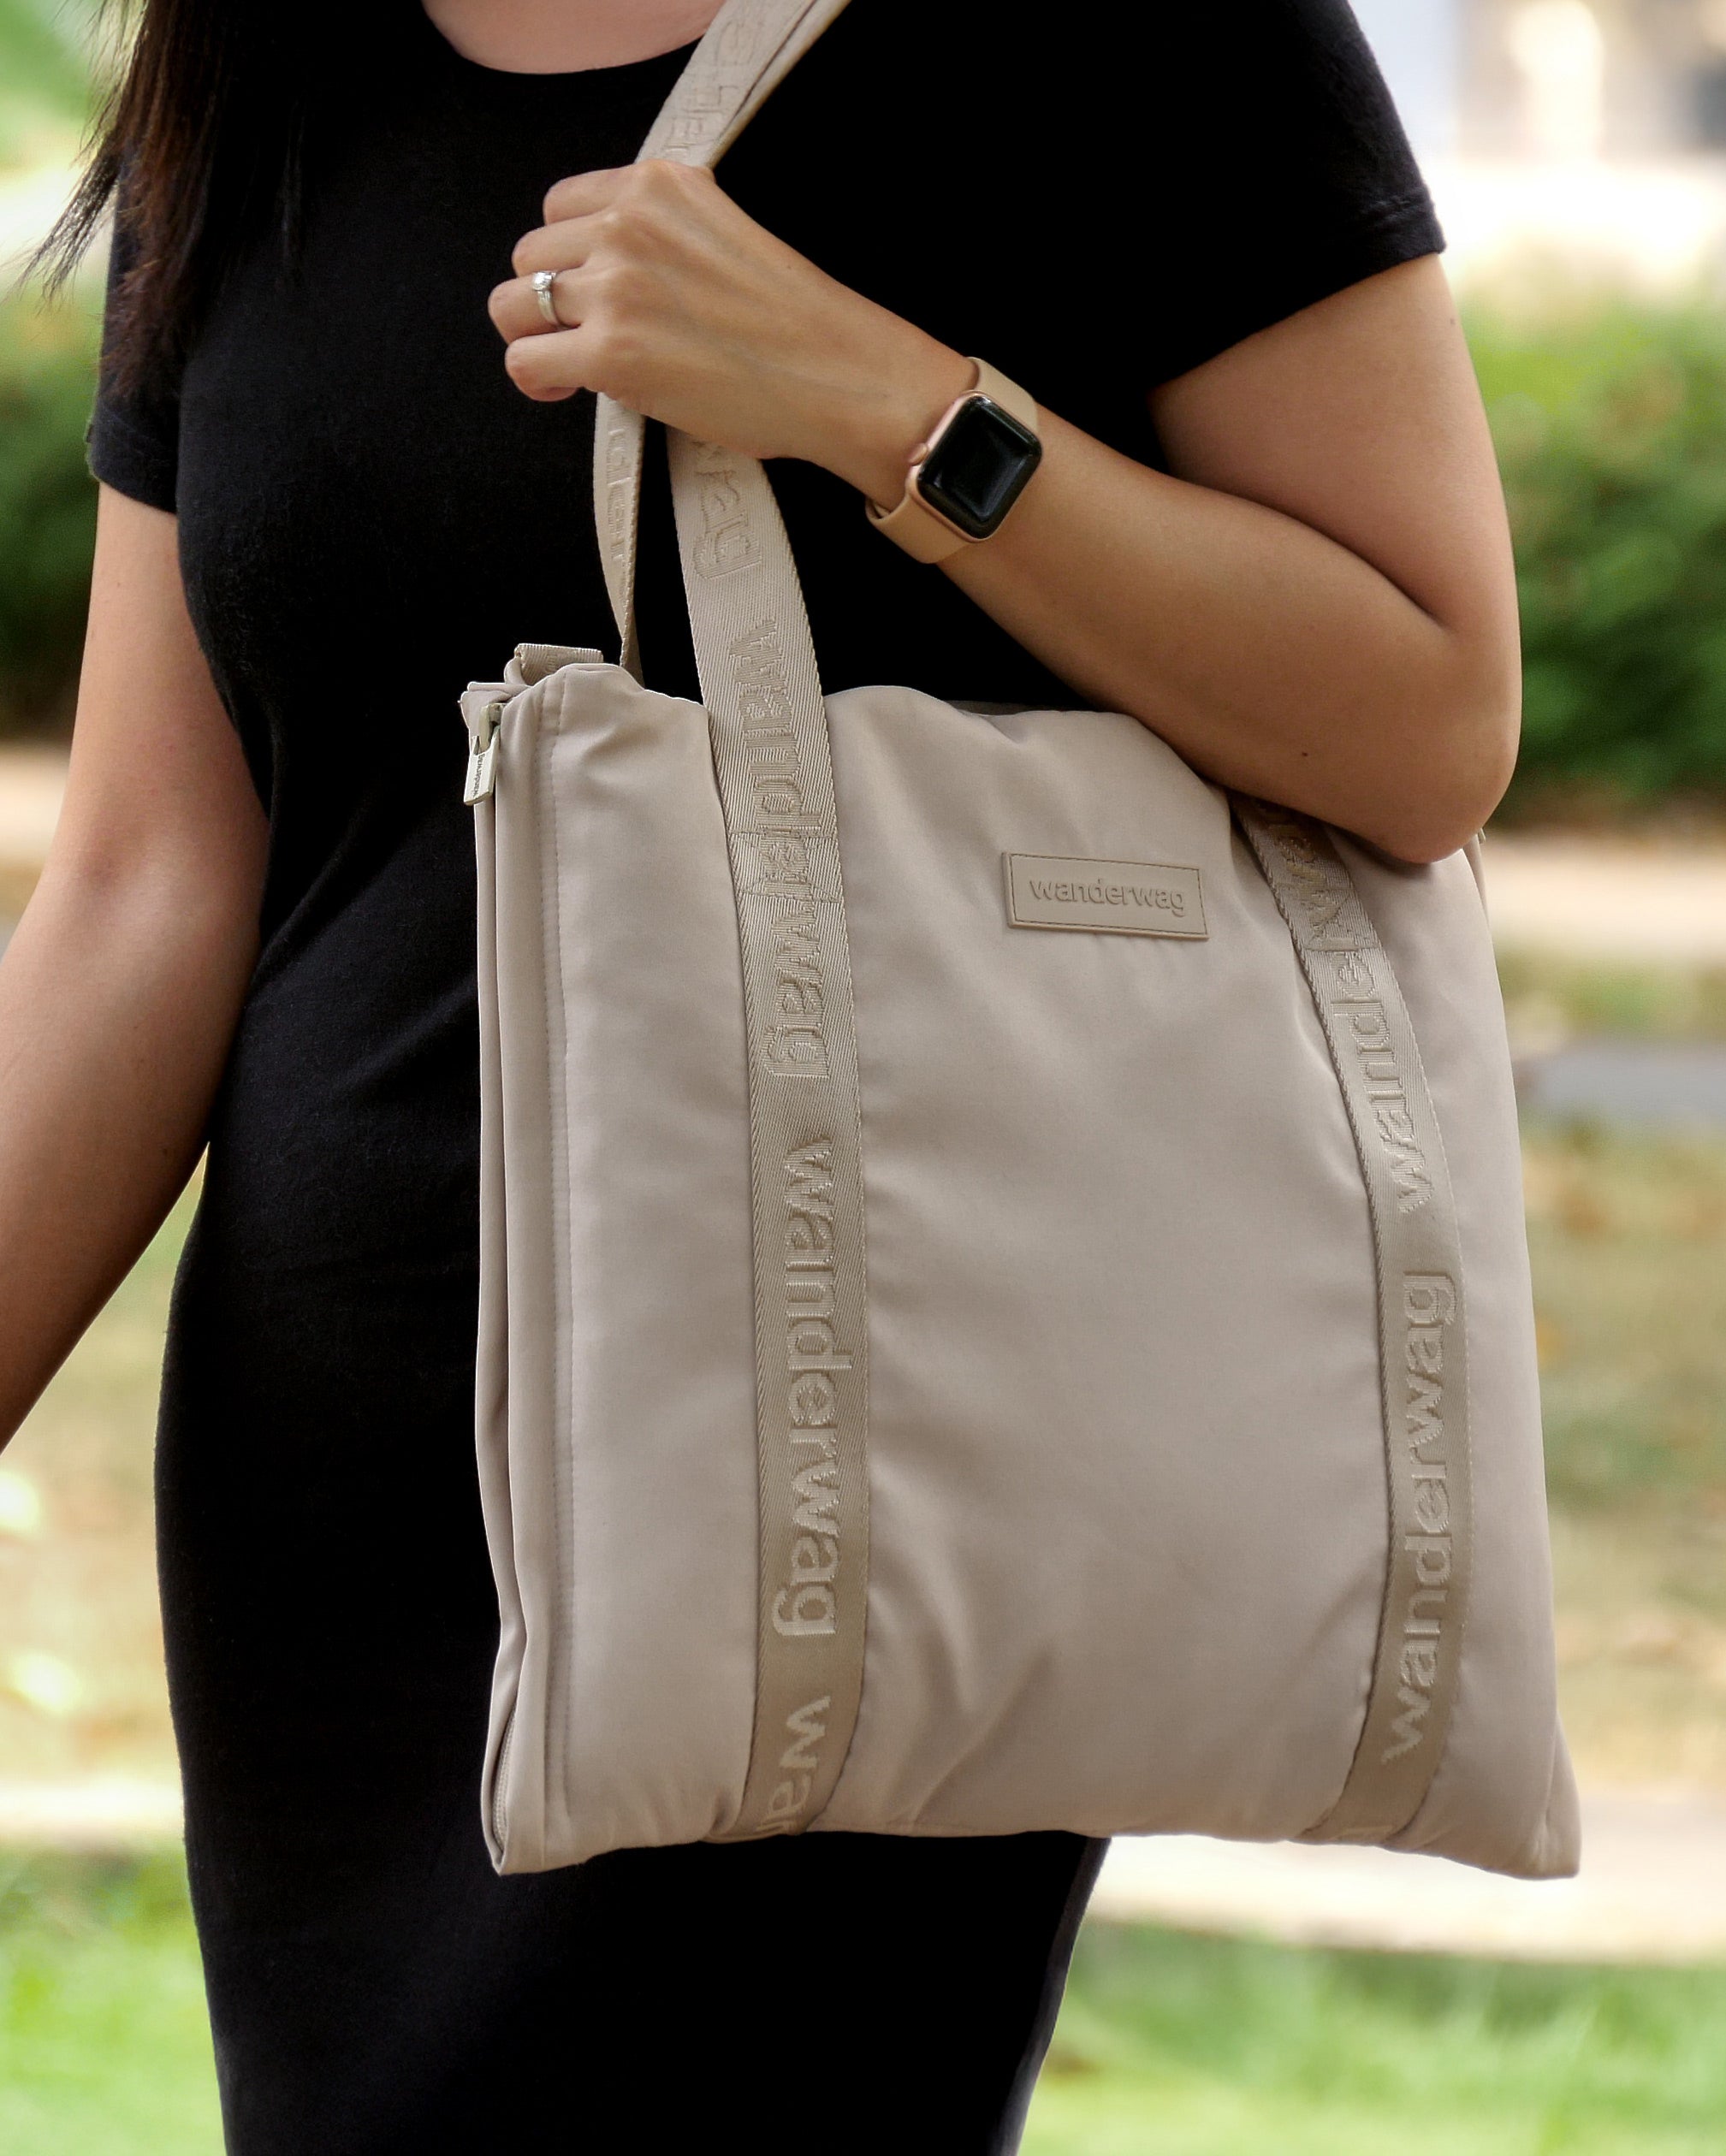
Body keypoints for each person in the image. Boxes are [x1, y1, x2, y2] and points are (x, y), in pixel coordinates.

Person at [7, 1, 1519, 2147]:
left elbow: (1428, 719)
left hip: (845, 1453)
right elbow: (150, 882)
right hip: (340, 1528)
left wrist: (886, 408)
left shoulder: (1149, 41)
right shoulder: (265, 39)